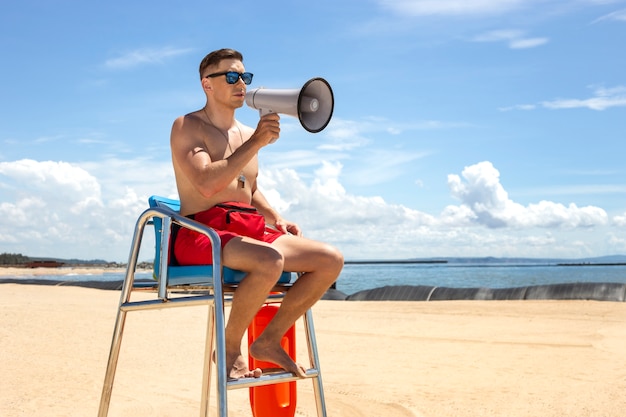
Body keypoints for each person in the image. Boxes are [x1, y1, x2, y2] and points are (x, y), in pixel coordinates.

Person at [169, 48, 344, 380]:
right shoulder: (187, 125)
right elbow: (207, 183)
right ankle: (230, 349)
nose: (241, 83)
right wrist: (257, 143)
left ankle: (268, 341)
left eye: (244, 77)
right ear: (207, 84)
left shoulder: (248, 134)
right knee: (269, 260)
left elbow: (248, 187)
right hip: (201, 231)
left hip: (247, 229)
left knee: (329, 259)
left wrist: (274, 216)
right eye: (231, 76)